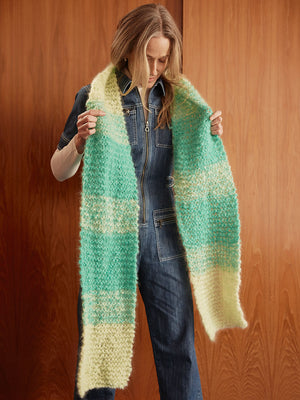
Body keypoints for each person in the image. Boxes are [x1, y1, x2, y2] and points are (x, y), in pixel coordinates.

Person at [51, 4, 247, 400]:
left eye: (163, 59)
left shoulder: (179, 100)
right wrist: (79, 141)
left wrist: (207, 135)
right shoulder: (93, 97)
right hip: (109, 237)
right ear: (128, 48)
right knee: (99, 356)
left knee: (179, 350)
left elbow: (196, 164)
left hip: (165, 238)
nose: (157, 67)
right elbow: (58, 170)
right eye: (149, 57)